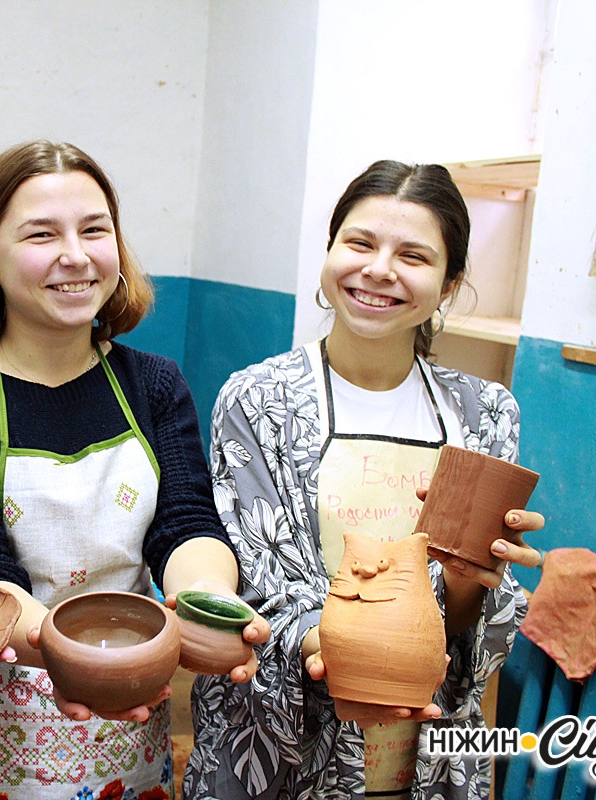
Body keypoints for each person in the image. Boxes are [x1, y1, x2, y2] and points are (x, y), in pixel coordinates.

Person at [0, 140, 269, 800]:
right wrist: (94, 660)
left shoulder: (154, 385)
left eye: (95, 230)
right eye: (42, 234)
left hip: (123, 735)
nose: (76, 255)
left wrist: (204, 603)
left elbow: (185, 524)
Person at [182, 160, 545, 800]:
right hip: (277, 749)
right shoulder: (259, 400)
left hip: (422, 748)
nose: (379, 270)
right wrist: (355, 654)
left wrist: (473, 576)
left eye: (413, 255)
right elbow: (262, 581)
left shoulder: (483, 415)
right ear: (329, 251)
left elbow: (465, 616)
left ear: (450, 282)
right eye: (359, 243)